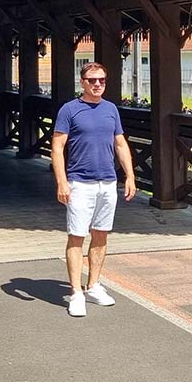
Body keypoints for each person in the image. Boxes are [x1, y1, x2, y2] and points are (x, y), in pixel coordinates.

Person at [52, 61, 136, 317]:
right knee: (76, 236)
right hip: (80, 182)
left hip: (107, 181)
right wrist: (62, 182)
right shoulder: (69, 110)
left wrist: (130, 176)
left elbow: (120, 144)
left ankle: (94, 285)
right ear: (83, 82)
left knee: (101, 235)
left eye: (101, 80)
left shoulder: (111, 109)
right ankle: (76, 292)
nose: (97, 84)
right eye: (92, 80)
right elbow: (57, 147)